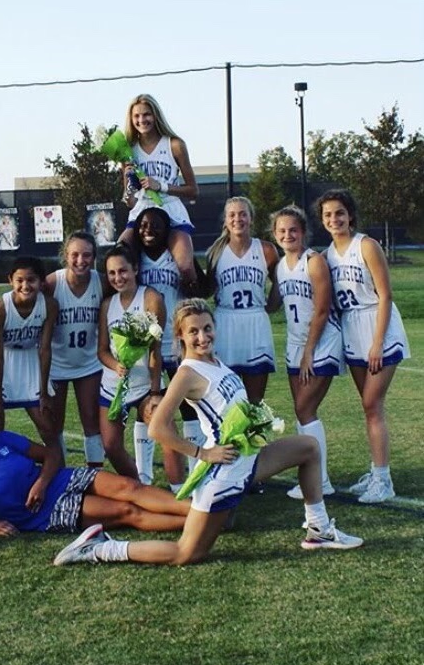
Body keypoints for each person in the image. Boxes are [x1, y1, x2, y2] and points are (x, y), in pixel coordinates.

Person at [53, 298, 363, 567]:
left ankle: (319, 529)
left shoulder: (216, 360)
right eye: (193, 331)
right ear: (181, 336)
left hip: (248, 459)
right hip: (224, 471)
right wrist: (203, 453)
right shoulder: (188, 372)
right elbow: (158, 428)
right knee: (186, 554)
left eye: (207, 328)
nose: (202, 336)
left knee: (308, 447)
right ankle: (99, 548)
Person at [0, 409, 189, 536]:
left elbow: (51, 454)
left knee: (129, 486)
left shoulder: (2, 440)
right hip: (43, 513)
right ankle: (202, 523)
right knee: (127, 511)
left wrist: (41, 482)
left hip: (57, 480)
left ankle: (199, 509)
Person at [320, 189, 410, 504]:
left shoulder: (366, 246)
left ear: (350, 215)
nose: (334, 219)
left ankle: (384, 481)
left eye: (340, 213)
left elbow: (385, 295)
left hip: (377, 327)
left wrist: (377, 343)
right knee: (369, 408)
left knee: (373, 405)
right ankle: (376, 472)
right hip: (351, 330)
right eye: (328, 214)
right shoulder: (327, 255)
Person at [269, 205, 343, 499]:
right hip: (294, 341)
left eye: (293, 230)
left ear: (303, 233)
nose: (288, 235)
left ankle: (320, 480)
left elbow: (323, 310)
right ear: (275, 235)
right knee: (302, 413)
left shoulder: (313, 262)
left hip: (321, 341)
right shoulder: (279, 266)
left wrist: (310, 352)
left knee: (305, 409)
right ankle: (312, 477)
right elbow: (273, 303)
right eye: (282, 231)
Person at [135, 205, 204, 490]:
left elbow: (201, 288)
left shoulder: (177, 258)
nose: (148, 230)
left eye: (155, 225)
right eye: (143, 225)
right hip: (147, 345)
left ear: (167, 231)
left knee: (190, 407)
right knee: (146, 409)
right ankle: (143, 477)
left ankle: (197, 472)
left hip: (177, 345)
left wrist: (190, 278)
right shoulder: (134, 259)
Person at [98, 243, 165, 481]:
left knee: (166, 435)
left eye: (123, 270)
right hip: (113, 384)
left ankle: (181, 490)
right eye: (112, 273)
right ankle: (139, 485)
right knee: (111, 446)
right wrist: (116, 365)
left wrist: (155, 392)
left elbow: (156, 350)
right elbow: (102, 351)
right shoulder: (107, 304)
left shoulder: (151, 298)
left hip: (145, 385)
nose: (118, 277)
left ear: (135, 268)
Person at [119, 93, 199, 289]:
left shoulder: (175, 145)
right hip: (142, 211)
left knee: (186, 266)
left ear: (156, 116)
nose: (141, 120)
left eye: (146, 114)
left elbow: (193, 191)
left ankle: (193, 305)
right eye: (136, 116)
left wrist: (161, 186)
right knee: (120, 255)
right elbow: (130, 202)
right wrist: (129, 181)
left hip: (170, 208)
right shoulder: (128, 150)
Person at [0, 256, 59, 448]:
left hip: (30, 358)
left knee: (48, 427)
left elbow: (46, 349)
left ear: (41, 281)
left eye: (31, 280)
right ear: (10, 280)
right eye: (19, 280)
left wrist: (44, 393)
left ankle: (60, 473)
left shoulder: (49, 305)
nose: (25, 285)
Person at [206, 196, 278, 404]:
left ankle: (256, 436)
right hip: (226, 322)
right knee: (227, 400)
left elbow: (280, 282)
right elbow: (208, 289)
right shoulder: (216, 252)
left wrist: (271, 306)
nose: (238, 219)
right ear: (226, 221)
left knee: (255, 400)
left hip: (255, 321)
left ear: (251, 219)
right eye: (232, 215)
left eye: (243, 214)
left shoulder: (266, 249)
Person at [43, 232, 103, 466]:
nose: (81, 260)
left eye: (87, 255)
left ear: (94, 257)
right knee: (54, 424)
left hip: (88, 363)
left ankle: (95, 475)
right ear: (65, 256)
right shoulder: (52, 283)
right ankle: (60, 475)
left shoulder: (102, 281)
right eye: (75, 255)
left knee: (91, 421)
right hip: (57, 364)